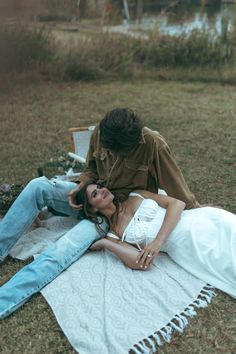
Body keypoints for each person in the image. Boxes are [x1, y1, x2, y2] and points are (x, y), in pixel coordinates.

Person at [0, 108, 198, 319]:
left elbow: (178, 192)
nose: (110, 154)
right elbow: (91, 170)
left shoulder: (153, 145)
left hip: (110, 213)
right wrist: (82, 184)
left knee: (57, 253)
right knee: (37, 186)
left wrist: (198, 213)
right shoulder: (103, 132)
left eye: (116, 153)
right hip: (88, 195)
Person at [75, 182, 236, 298]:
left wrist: (157, 242)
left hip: (202, 219)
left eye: (99, 187)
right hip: (188, 246)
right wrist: (106, 243)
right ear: (93, 209)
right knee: (228, 264)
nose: (102, 190)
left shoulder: (135, 195)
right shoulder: (115, 235)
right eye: (95, 194)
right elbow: (139, 262)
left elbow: (177, 204)